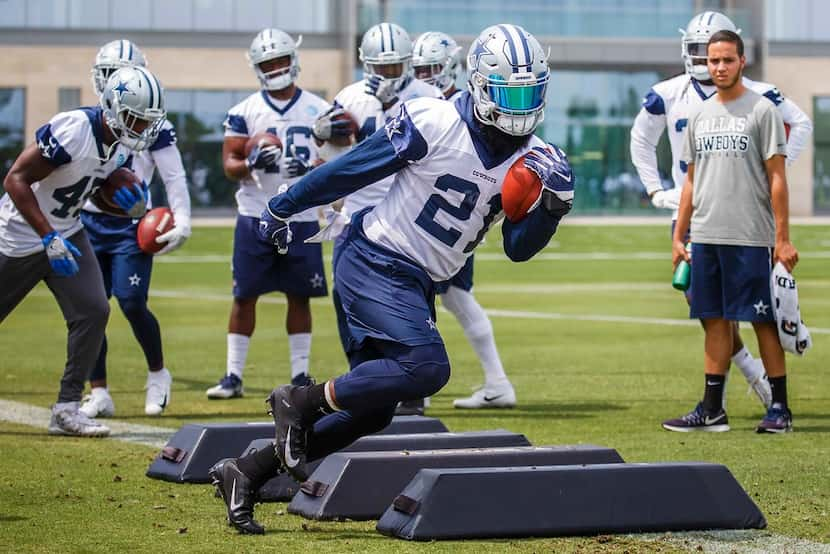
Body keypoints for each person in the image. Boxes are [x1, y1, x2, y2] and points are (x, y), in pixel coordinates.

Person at [210, 23, 574, 534]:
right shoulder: (434, 119)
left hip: (415, 281)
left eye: (530, 92)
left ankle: (245, 472)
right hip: (375, 258)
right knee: (427, 367)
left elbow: (517, 248)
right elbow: (354, 168)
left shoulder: (533, 156)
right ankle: (298, 400)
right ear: (482, 84)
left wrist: (550, 210)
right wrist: (285, 204)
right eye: (511, 92)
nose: (521, 104)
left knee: (373, 412)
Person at [630, 11, 812, 410]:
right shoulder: (672, 95)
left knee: (758, 313)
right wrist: (657, 189)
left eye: (721, 55)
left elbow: (800, 125)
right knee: (709, 312)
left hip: (745, 219)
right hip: (695, 217)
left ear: (738, 57)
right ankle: (739, 384)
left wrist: (773, 170)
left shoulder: (760, 98)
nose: (709, 63)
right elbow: (641, 139)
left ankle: (772, 394)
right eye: (702, 53)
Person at [0, 66, 164, 436]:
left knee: (93, 310)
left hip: (68, 231)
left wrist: (126, 208)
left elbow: (88, 191)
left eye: (146, 122)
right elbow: (16, 179)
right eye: (135, 119)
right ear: (112, 107)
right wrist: (46, 236)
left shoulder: (120, 147)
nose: (140, 129)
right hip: (18, 236)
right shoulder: (73, 129)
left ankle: (67, 407)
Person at [662, 30, 797, 434]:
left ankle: (780, 409)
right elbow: (690, 181)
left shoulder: (762, 111)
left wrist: (782, 238)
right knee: (715, 321)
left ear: (742, 62)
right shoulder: (699, 116)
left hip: (751, 237)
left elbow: (777, 179)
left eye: (727, 60)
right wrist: (679, 235)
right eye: (713, 61)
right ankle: (712, 409)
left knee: (763, 323)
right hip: (705, 237)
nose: (719, 67)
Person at [311, 22, 443, 414]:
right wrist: (322, 135)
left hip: (406, 223)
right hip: (355, 220)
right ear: (365, 64)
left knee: (409, 311)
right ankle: (364, 393)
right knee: (352, 312)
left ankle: (413, 398)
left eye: (395, 66)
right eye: (381, 67)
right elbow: (329, 163)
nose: (388, 75)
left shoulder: (428, 97)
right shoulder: (348, 98)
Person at [205, 29, 332, 399]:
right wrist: (250, 161)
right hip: (255, 213)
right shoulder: (243, 111)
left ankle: (300, 375)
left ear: (294, 60)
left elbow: (334, 158)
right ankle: (232, 375)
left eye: (280, 60)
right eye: (268, 63)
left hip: (301, 216)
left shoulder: (318, 108)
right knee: (244, 296)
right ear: (257, 68)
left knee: (300, 296)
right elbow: (229, 164)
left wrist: (309, 167)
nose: (276, 67)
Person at [79, 40, 192, 418]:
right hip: (90, 222)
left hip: (131, 226)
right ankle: (98, 391)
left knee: (130, 303)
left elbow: (173, 176)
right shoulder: (88, 120)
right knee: (92, 309)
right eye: (109, 75)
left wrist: (183, 221)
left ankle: (159, 374)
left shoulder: (153, 120)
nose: (114, 83)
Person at [412, 30, 516, 409]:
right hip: (436, 218)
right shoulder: (427, 105)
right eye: (420, 69)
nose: (425, 76)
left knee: (440, 299)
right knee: (456, 299)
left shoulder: (464, 106)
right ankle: (497, 382)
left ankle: (413, 388)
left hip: (446, 223)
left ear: (454, 67)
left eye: (433, 68)